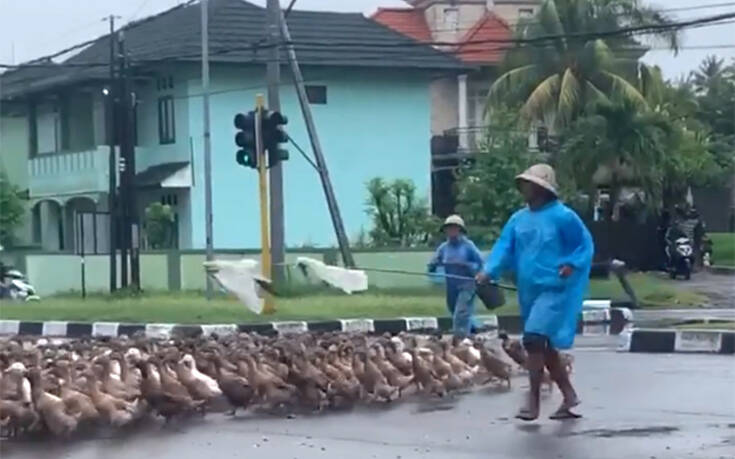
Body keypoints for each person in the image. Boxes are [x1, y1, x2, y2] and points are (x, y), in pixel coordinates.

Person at [476, 164, 594, 421]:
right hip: (528, 290)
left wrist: (571, 264)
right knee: (544, 345)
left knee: (532, 339)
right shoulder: (518, 219)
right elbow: (503, 248)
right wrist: (489, 271)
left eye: (530, 184)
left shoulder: (564, 216)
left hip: (555, 289)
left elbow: (583, 245)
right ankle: (569, 395)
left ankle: (533, 401)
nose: (525, 189)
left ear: (542, 188)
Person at [428, 215, 484, 338]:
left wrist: (466, 265)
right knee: (454, 310)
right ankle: (473, 331)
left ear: (460, 230)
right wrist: (433, 265)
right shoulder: (443, 248)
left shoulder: (468, 246)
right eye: (448, 228)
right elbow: (433, 263)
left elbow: (481, 263)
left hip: (467, 284)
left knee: (461, 312)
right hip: (451, 285)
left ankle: (460, 339)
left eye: (454, 228)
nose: (451, 231)